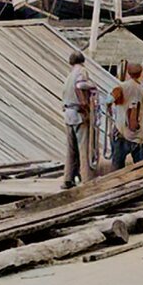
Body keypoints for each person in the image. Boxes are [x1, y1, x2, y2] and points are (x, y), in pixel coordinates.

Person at [60, 51, 94, 189]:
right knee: (83, 147)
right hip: (78, 113)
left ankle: (68, 178)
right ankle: (86, 179)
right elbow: (80, 86)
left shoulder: (69, 74)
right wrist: (86, 102)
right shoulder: (82, 71)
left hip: (68, 113)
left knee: (71, 149)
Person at [111, 63, 143, 169]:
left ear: (128, 72)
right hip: (138, 136)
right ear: (140, 74)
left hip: (121, 132)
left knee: (117, 167)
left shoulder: (121, 88)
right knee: (140, 167)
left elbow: (109, 100)